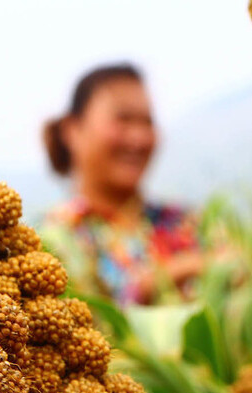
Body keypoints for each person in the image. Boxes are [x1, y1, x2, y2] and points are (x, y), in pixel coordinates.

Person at [40, 63, 206, 305]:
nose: (138, 138)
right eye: (123, 119)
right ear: (72, 130)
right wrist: (164, 280)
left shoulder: (185, 221)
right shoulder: (55, 240)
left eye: (147, 122)